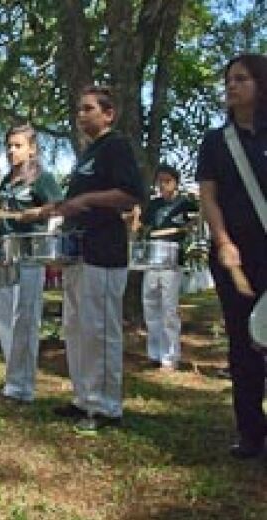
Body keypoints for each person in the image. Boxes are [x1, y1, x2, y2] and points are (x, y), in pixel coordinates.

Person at [36, 86, 145, 431]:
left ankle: (106, 407)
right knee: (77, 327)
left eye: (88, 109)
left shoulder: (116, 146)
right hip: (78, 251)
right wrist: (63, 207)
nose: (81, 115)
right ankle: (83, 398)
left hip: (104, 250)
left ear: (108, 114)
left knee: (100, 330)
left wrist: (85, 202)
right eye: (79, 110)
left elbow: (130, 194)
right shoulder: (88, 153)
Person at [197, 53, 267, 459]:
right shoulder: (216, 142)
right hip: (235, 257)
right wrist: (223, 242)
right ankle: (251, 432)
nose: (232, 86)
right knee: (243, 343)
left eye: (241, 79)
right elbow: (209, 197)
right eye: (228, 80)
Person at [0, 123, 62, 404]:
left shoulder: (41, 178)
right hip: (5, 254)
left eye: (17, 145)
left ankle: (22, 390)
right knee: (3, 316)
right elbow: (1, 212)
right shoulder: (6, 181)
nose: (11, 151)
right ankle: (13, 379)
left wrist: (36, 213)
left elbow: (58, 205)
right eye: (9, 145)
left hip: (30, 253)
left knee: (25, 320)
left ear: (32, 149)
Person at [137, 164, 198, 370]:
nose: (163, 185)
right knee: (150, 304)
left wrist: (186, 227)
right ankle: (154, 353)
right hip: (152, 258)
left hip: (172, 259)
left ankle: (170, 356)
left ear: (176, 183)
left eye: (167, 181)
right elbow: (142, 226)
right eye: (160, 181)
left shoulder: (186, 204)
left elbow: (195, 222)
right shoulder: (154, 205)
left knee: (169, 308)